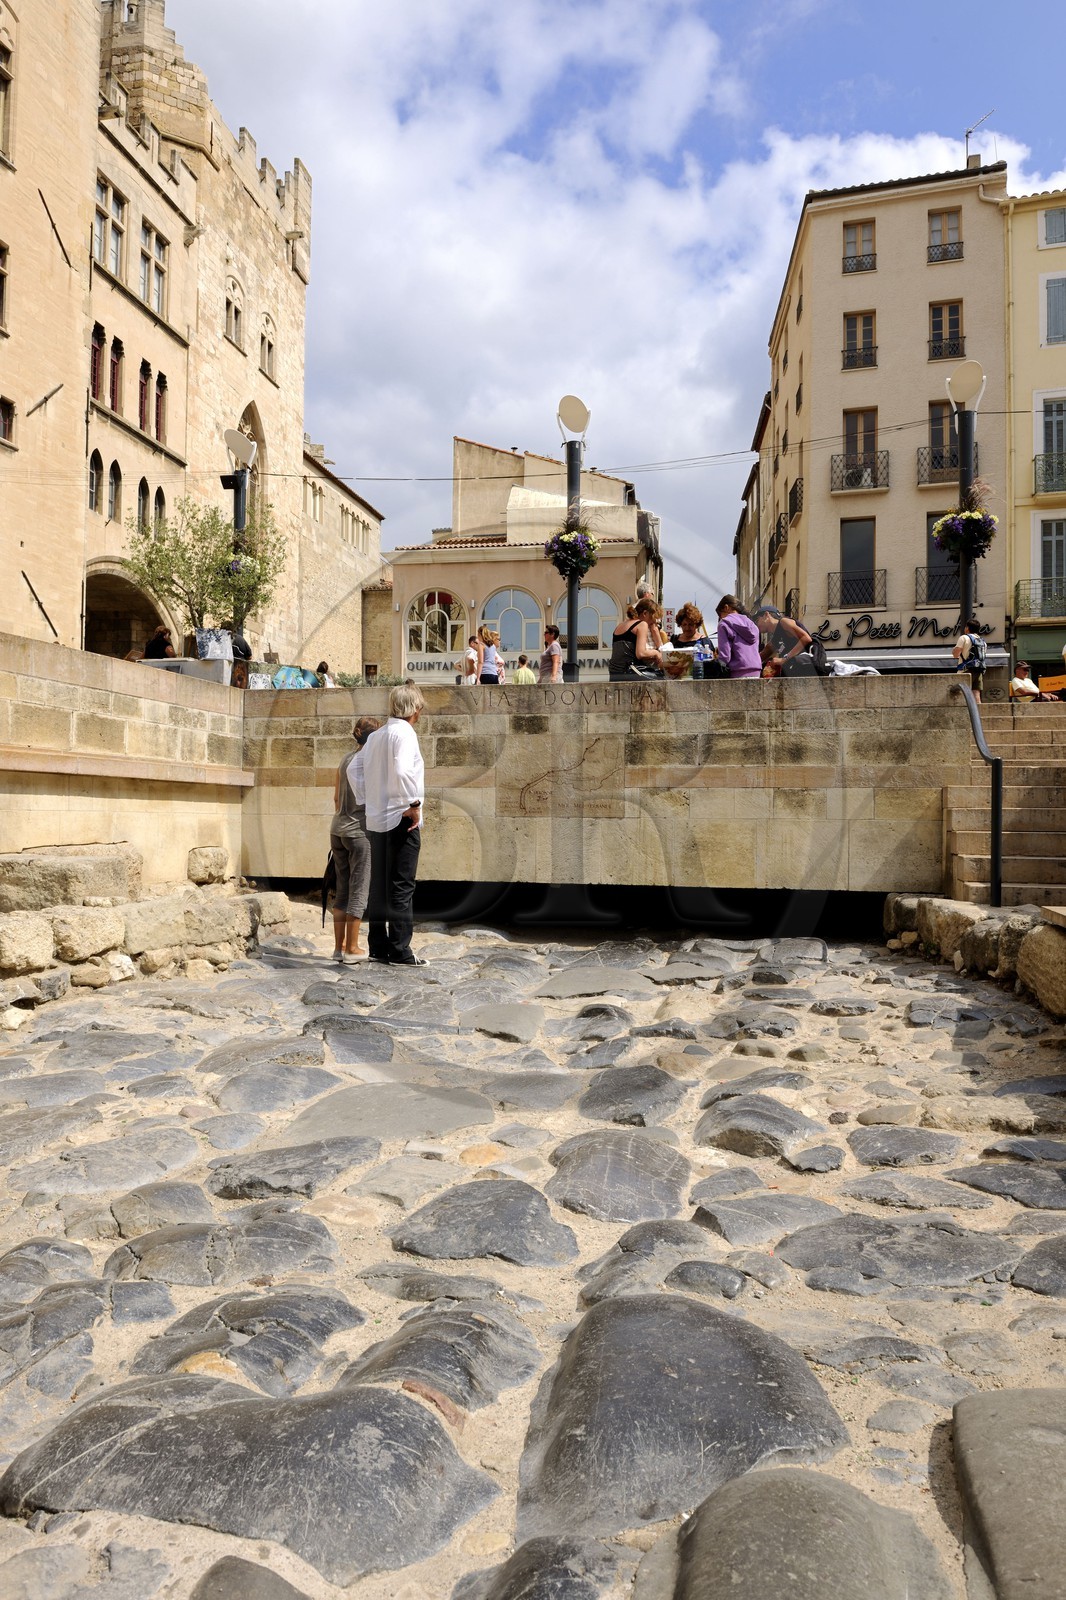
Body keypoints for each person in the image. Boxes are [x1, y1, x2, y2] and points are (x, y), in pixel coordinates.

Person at [363, 683, 427, 966]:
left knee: (378, 886)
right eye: (420, 707)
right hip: (401, 818)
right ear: (414, 708)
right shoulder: (405, 733)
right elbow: (402, 771)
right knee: (402, 886)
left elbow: (357, 772)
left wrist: (372, 801)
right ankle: (400, 950)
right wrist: (413, 805)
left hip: (376, 819)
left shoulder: (376, 737)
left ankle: (378, 947)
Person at [329, 715, 380, 963]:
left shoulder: (344, 759)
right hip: (358, 831)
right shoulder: (368, 762)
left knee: (342, 890)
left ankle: (338, 948)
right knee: (359, 888)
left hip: (337, 828)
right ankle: (353, 948)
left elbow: (336, 798)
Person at [609, 597, 664, 681]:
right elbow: (640, 653)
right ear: (645, 613)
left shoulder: (620, 626)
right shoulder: (642, 624)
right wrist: (656, 653)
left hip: (614, 674)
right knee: (662, 679)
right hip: (630, 673)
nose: (651, 624)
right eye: (651, 621)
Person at [755, 604, 818, 677]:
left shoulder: (784, 622)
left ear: (766, 615)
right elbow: (762, 655)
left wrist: (784, 659)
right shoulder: (776, 638)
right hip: (796, 673)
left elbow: (806, 638)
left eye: (757, 620)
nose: (756, 625)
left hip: (807, 668)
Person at [714, 596, 763, 679]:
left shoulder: (724, 624)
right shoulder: (752, 624)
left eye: (720, 615)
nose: (720, 618)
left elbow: (725, 656)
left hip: (737, 672)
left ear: (726, 607)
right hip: (756, 671)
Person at [952, 617, 987, 703]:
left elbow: (956, 654)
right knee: (976, 693)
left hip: (965, 670)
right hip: (979, 670)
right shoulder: (983, 642)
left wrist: (954, 650)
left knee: (959, 693)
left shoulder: (964, 638)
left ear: (967, 628)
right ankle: (978, 715)